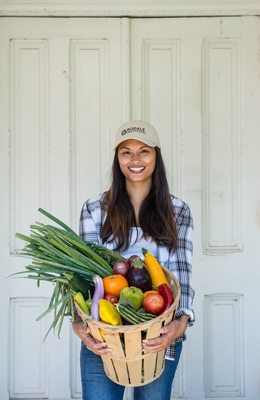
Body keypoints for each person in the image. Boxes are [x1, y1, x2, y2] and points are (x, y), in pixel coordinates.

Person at [72, 120, 195, 400]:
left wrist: (181, 323)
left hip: (158, 330)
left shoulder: (177, 211)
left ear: (156, 156)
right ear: (117, 159)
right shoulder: (94, 209)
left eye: (144, 151)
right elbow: (86, 277)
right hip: (104, 332)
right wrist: (78, 323)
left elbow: (182, 271)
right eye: (126, 152)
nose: (135, 159)